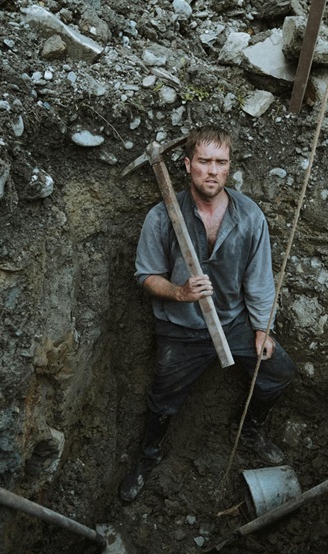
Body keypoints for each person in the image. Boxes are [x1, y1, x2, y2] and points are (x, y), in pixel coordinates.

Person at [119, 125, 297, 502]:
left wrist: (262, 329)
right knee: (162, 399)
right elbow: (145, 275)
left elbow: (260, 280)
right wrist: (179, 292)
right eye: (204, 162)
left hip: (233, 323)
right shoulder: (161, 217)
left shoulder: (250, 217)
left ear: (229, 166)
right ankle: (148, 456)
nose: (213, 171)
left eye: (221, 162)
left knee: (278, 372)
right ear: (187, 165)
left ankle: (249, 431)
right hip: (181, 328)